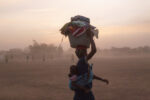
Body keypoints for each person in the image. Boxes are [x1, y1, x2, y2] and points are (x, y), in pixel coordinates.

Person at [71, 33, 97, 100]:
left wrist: (102, 79)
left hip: (82, 94)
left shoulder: (81, 62)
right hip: (84, 95)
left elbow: (90, 76)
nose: (87, 53)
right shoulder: (82, 61)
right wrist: (90, 36)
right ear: (82, 52)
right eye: (85, 51)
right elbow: (94, 50)